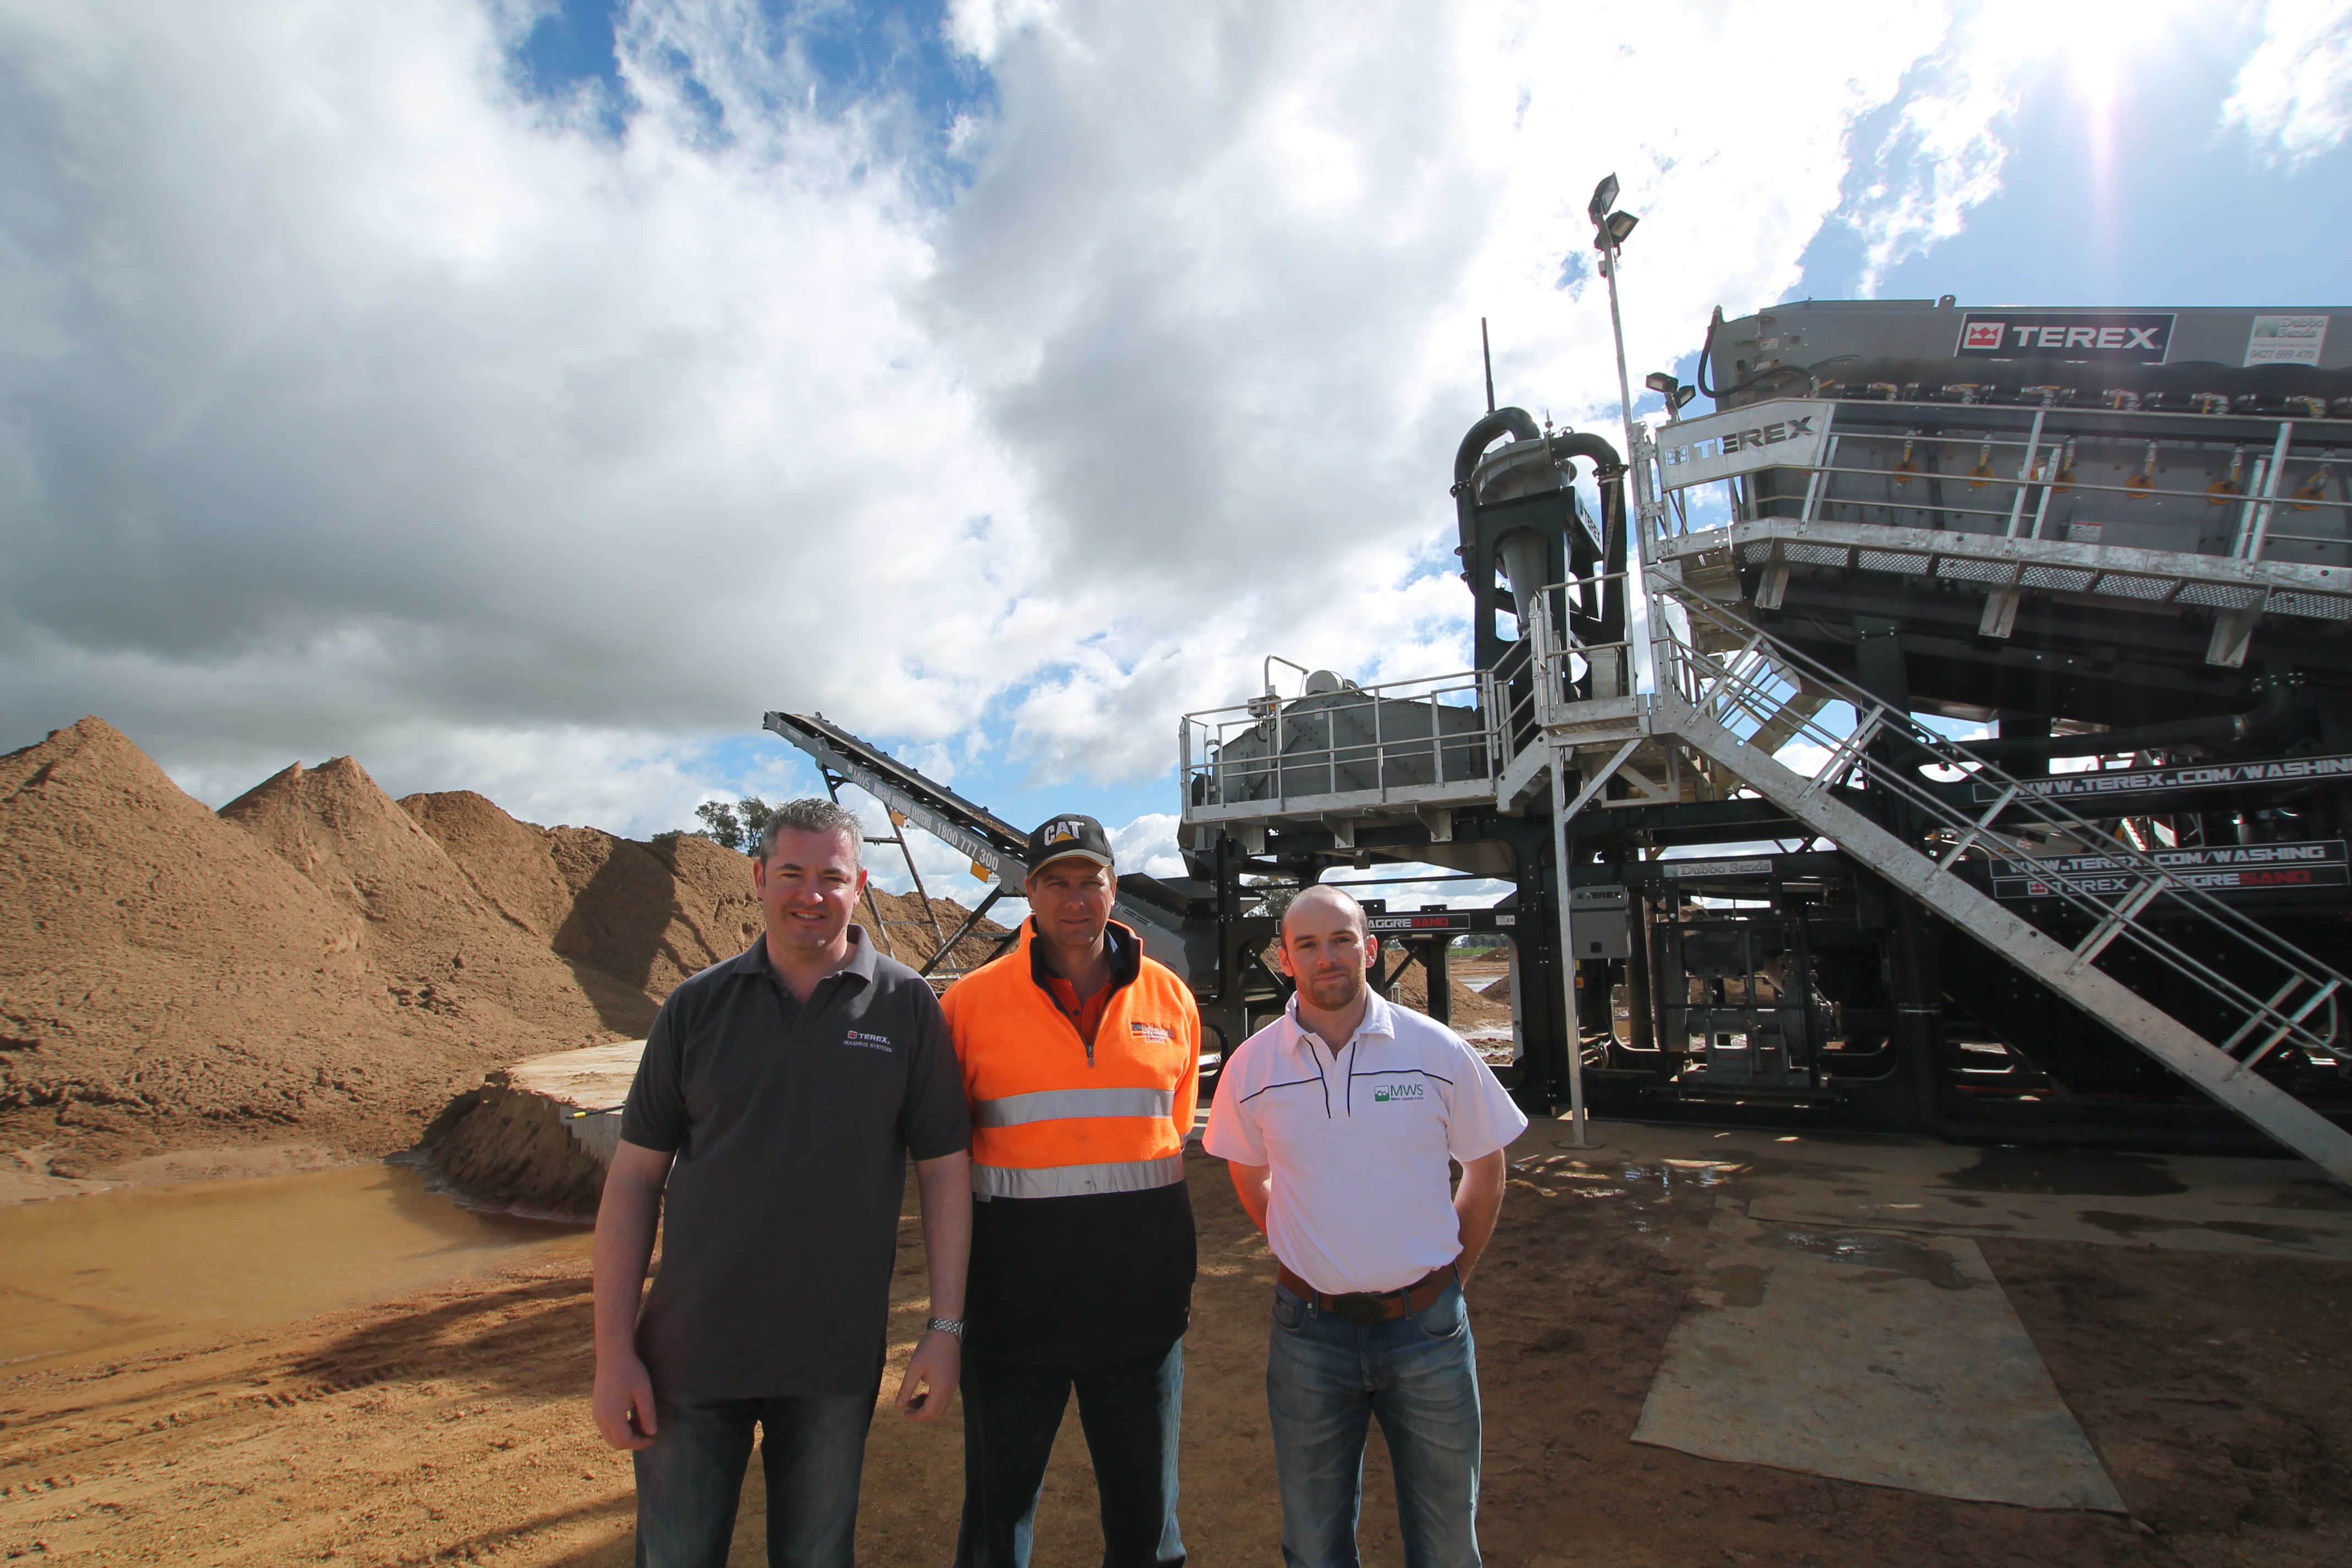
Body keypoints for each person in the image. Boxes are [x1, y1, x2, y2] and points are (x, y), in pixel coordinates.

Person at [591, 797, 973, 1568]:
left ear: (860, 883)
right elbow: (633, 1179)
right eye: (791, 873)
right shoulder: (695, 1008)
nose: (810, 893)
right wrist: (613, 1353)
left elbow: (944, 1172)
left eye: (830, 876)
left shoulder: (906, 1007)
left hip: (831, 1363)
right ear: (759, 876)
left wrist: (946, 1327)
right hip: (687, 1360)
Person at [1204, 884, 1525, 1568]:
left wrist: (1450, 1277)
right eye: (1308, 945)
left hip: (1429, 1334)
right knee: (1316, 1542)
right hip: (1309, 1336)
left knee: (1445, 1542)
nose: (1328, 957)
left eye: (1343, 939)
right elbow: (1247, 1172)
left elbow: (1486, 1166)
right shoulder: (1253, 1067)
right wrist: (1301, 1246)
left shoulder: (1435, 1050)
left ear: (1371, 949)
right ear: (1285, 959)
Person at [941, 813, 1202, 1568]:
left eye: (1091, 880)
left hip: (1141, 1315)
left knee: (1147, 1525)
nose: (1076, 898)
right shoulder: (968, 1008)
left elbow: (1170, 1129)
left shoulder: (1170, 1000)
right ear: (1029, 892)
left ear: (1114, 887)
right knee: (997, 1519)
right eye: (1057, 882)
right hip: (1014, 1318)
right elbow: (948, 1159)